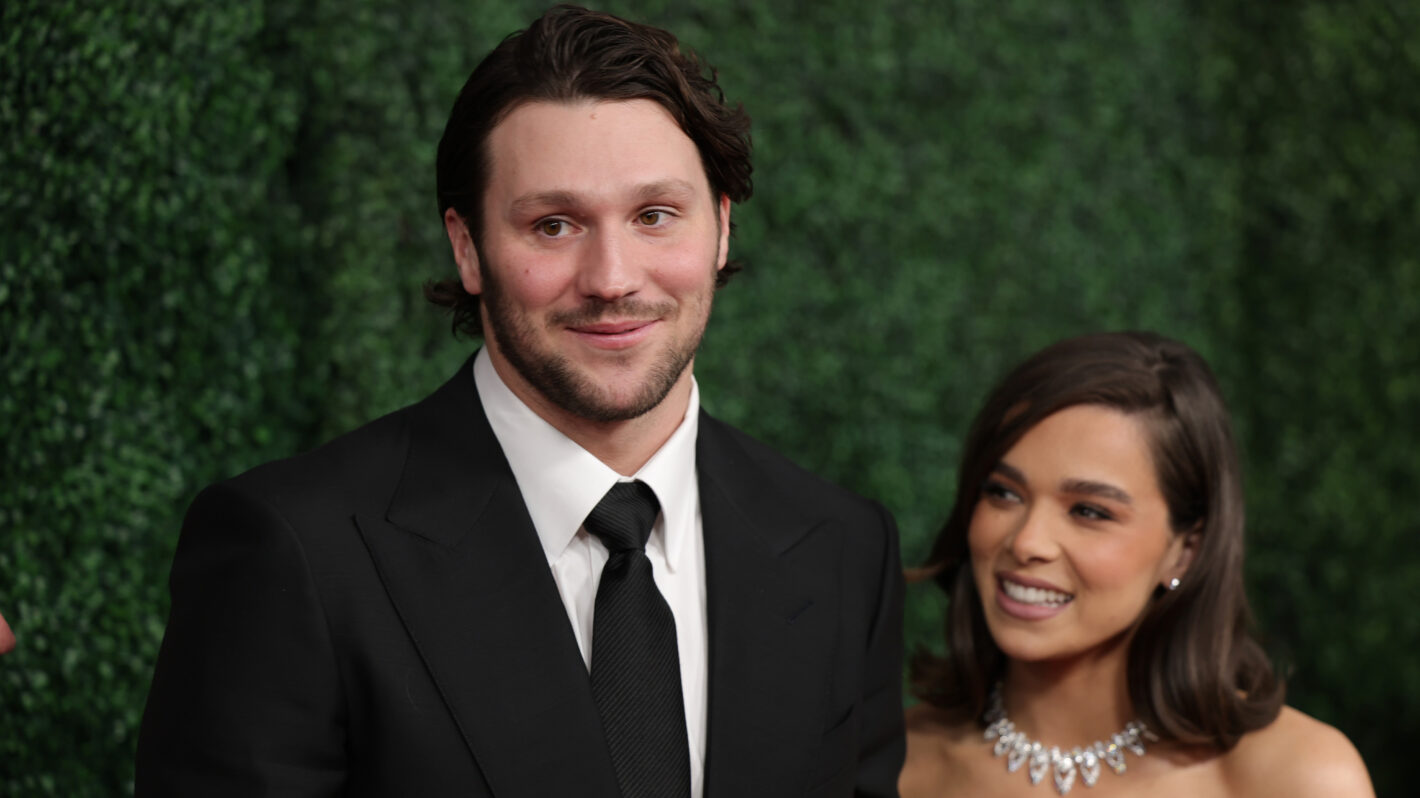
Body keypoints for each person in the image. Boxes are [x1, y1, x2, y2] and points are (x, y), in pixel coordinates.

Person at [135, 5, 904, 797]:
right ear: (467, 247)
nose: (611, 277)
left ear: (721, 231)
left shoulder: (844, 549)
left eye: (654, 216)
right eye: (554, 224)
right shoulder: (295, 551)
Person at [898, 331, 1373, 797]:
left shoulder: (1298, 779)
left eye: (1089, 511)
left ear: (1185, 549)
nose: (1027, 542)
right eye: (1003, 492)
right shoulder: (897, 763)